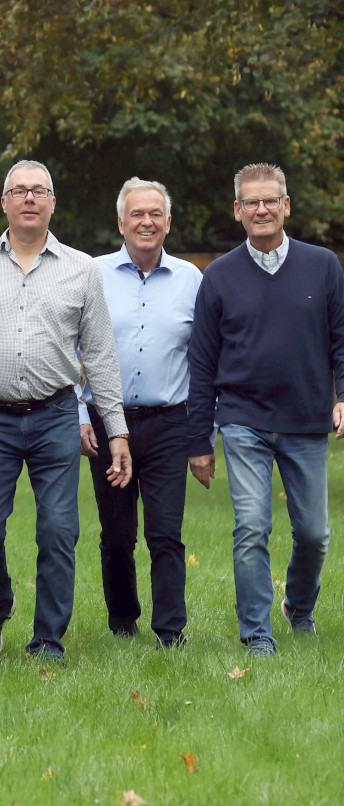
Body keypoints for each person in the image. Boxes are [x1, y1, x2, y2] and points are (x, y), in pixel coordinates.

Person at [0, 159, 130, 664]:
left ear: (52, 203)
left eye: (39, 191)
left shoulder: (81, 269)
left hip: (55, 417)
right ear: (4, 202)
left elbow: (99, 355)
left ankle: (48, 639)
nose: (29, 198)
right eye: (19, 190)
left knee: (58, 531)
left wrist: (114, 430)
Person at [187, 163, 344, 657]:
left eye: (270, 200)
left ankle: (298, 607)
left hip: (306, 418)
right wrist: (199, 443)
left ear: (286, 206)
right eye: (251, 202)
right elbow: (202, 363)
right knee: (252, 525)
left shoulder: (323, 265)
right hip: (242, 418)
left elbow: (341, 340)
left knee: (316, 534)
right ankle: (257, 634)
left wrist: (342, 396)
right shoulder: (218, 276)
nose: (261, 209)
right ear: (238, 211)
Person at [78, 178, 202, 648]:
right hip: (108, 422)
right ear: (120, 222)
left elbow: (204, 358)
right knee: (116, 535)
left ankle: (171, 630)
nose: (146, 221)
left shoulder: (192, 280)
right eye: (137, 214)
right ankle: (123, 622)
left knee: (166, 533)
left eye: (155, 214)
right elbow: (66, 348)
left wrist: (200, 433)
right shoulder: (92, 274)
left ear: (168, 222)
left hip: (170, 422)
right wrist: (79, 415)